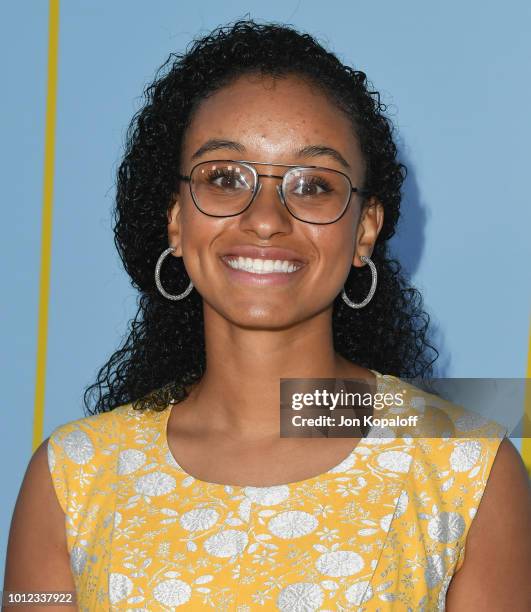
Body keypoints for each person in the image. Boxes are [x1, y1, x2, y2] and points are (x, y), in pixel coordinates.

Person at [4, 19, 530, 611]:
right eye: (225, 178)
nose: (265, 218)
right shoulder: (72, 476)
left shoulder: (467, 468)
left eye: (312, 185)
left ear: (365, 230)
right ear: (176, 218)